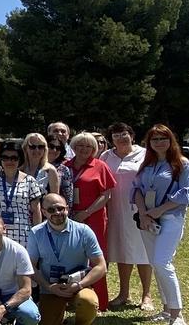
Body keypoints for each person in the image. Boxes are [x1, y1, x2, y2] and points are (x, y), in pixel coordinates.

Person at [132, 124, 189, 325]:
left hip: (170, 219)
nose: (159, 143)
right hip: (148, 220)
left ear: (171, 140)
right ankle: (166, 309)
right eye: (154, 139)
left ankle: (177, 315)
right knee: (155, 264)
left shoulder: (181, 164)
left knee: (162, 262)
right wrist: (144, 214)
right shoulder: (147, 164)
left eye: (163, 138)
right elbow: (137, 190)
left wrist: (158, 211)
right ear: (149, 143)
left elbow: (185, 194)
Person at [28, 194, 107, 325]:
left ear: (67, 209)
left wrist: (79, 285)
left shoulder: (84, 231)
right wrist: (48, 287)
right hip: (51, 288)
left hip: (79, 286)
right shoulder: (36, 233)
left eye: (60, 208)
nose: (57, 213)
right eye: (51, 210)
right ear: (43, 212)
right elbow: (30, 267)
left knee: (88, 302)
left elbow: (101, 266)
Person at [100, 122, 153, 310]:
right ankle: (124, 293)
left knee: (143, 252)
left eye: (124, 134)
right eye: (115, 136)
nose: (120, 138)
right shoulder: (106, 156)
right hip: (114, 210)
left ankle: (146, 295)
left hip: (140, 209)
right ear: (111, 139)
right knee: (121, 250)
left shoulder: (145, 154)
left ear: (132, 135)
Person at [65, 132, 116, 311]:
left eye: (88, 146)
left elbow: (106, 195)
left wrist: (86, 212)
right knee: (72, 255)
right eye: (80, 145)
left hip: (93, 217)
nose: (84, 149)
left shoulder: (100, 166)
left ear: (94, 149)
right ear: (74, 147)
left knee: (96, 257)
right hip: (69, 218)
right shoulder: (65, 166)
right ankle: (72, 298)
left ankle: (100, 302)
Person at [0, 141, 43, 248]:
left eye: (14, 158)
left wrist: (37, 236)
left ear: (20, 160)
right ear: (0, 159)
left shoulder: (30, 181)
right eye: (5, 157)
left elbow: (36, 211)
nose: (9, 161)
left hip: (24, 235)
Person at [47, 135, 74, 207]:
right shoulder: (32, 166)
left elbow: (68, 197)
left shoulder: (63, 170)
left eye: (58, 148)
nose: (54, 150)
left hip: (53, 212)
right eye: (51, 146)